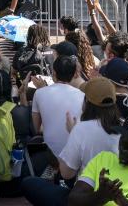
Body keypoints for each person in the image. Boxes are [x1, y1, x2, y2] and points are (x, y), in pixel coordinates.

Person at [21, 77, 121, 205]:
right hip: (115, 194)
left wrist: (73, 133)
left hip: (86, 198)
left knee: (29, 183)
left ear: (87, 102)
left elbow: (66, 173)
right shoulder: (123, 129)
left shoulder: (81, 130)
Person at [31, 55, 85, 158]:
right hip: (74, 155)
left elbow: (36, 127)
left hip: (50, 155)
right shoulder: (82, 96)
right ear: (74, 74)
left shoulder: (39, 93)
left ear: (54, 72)